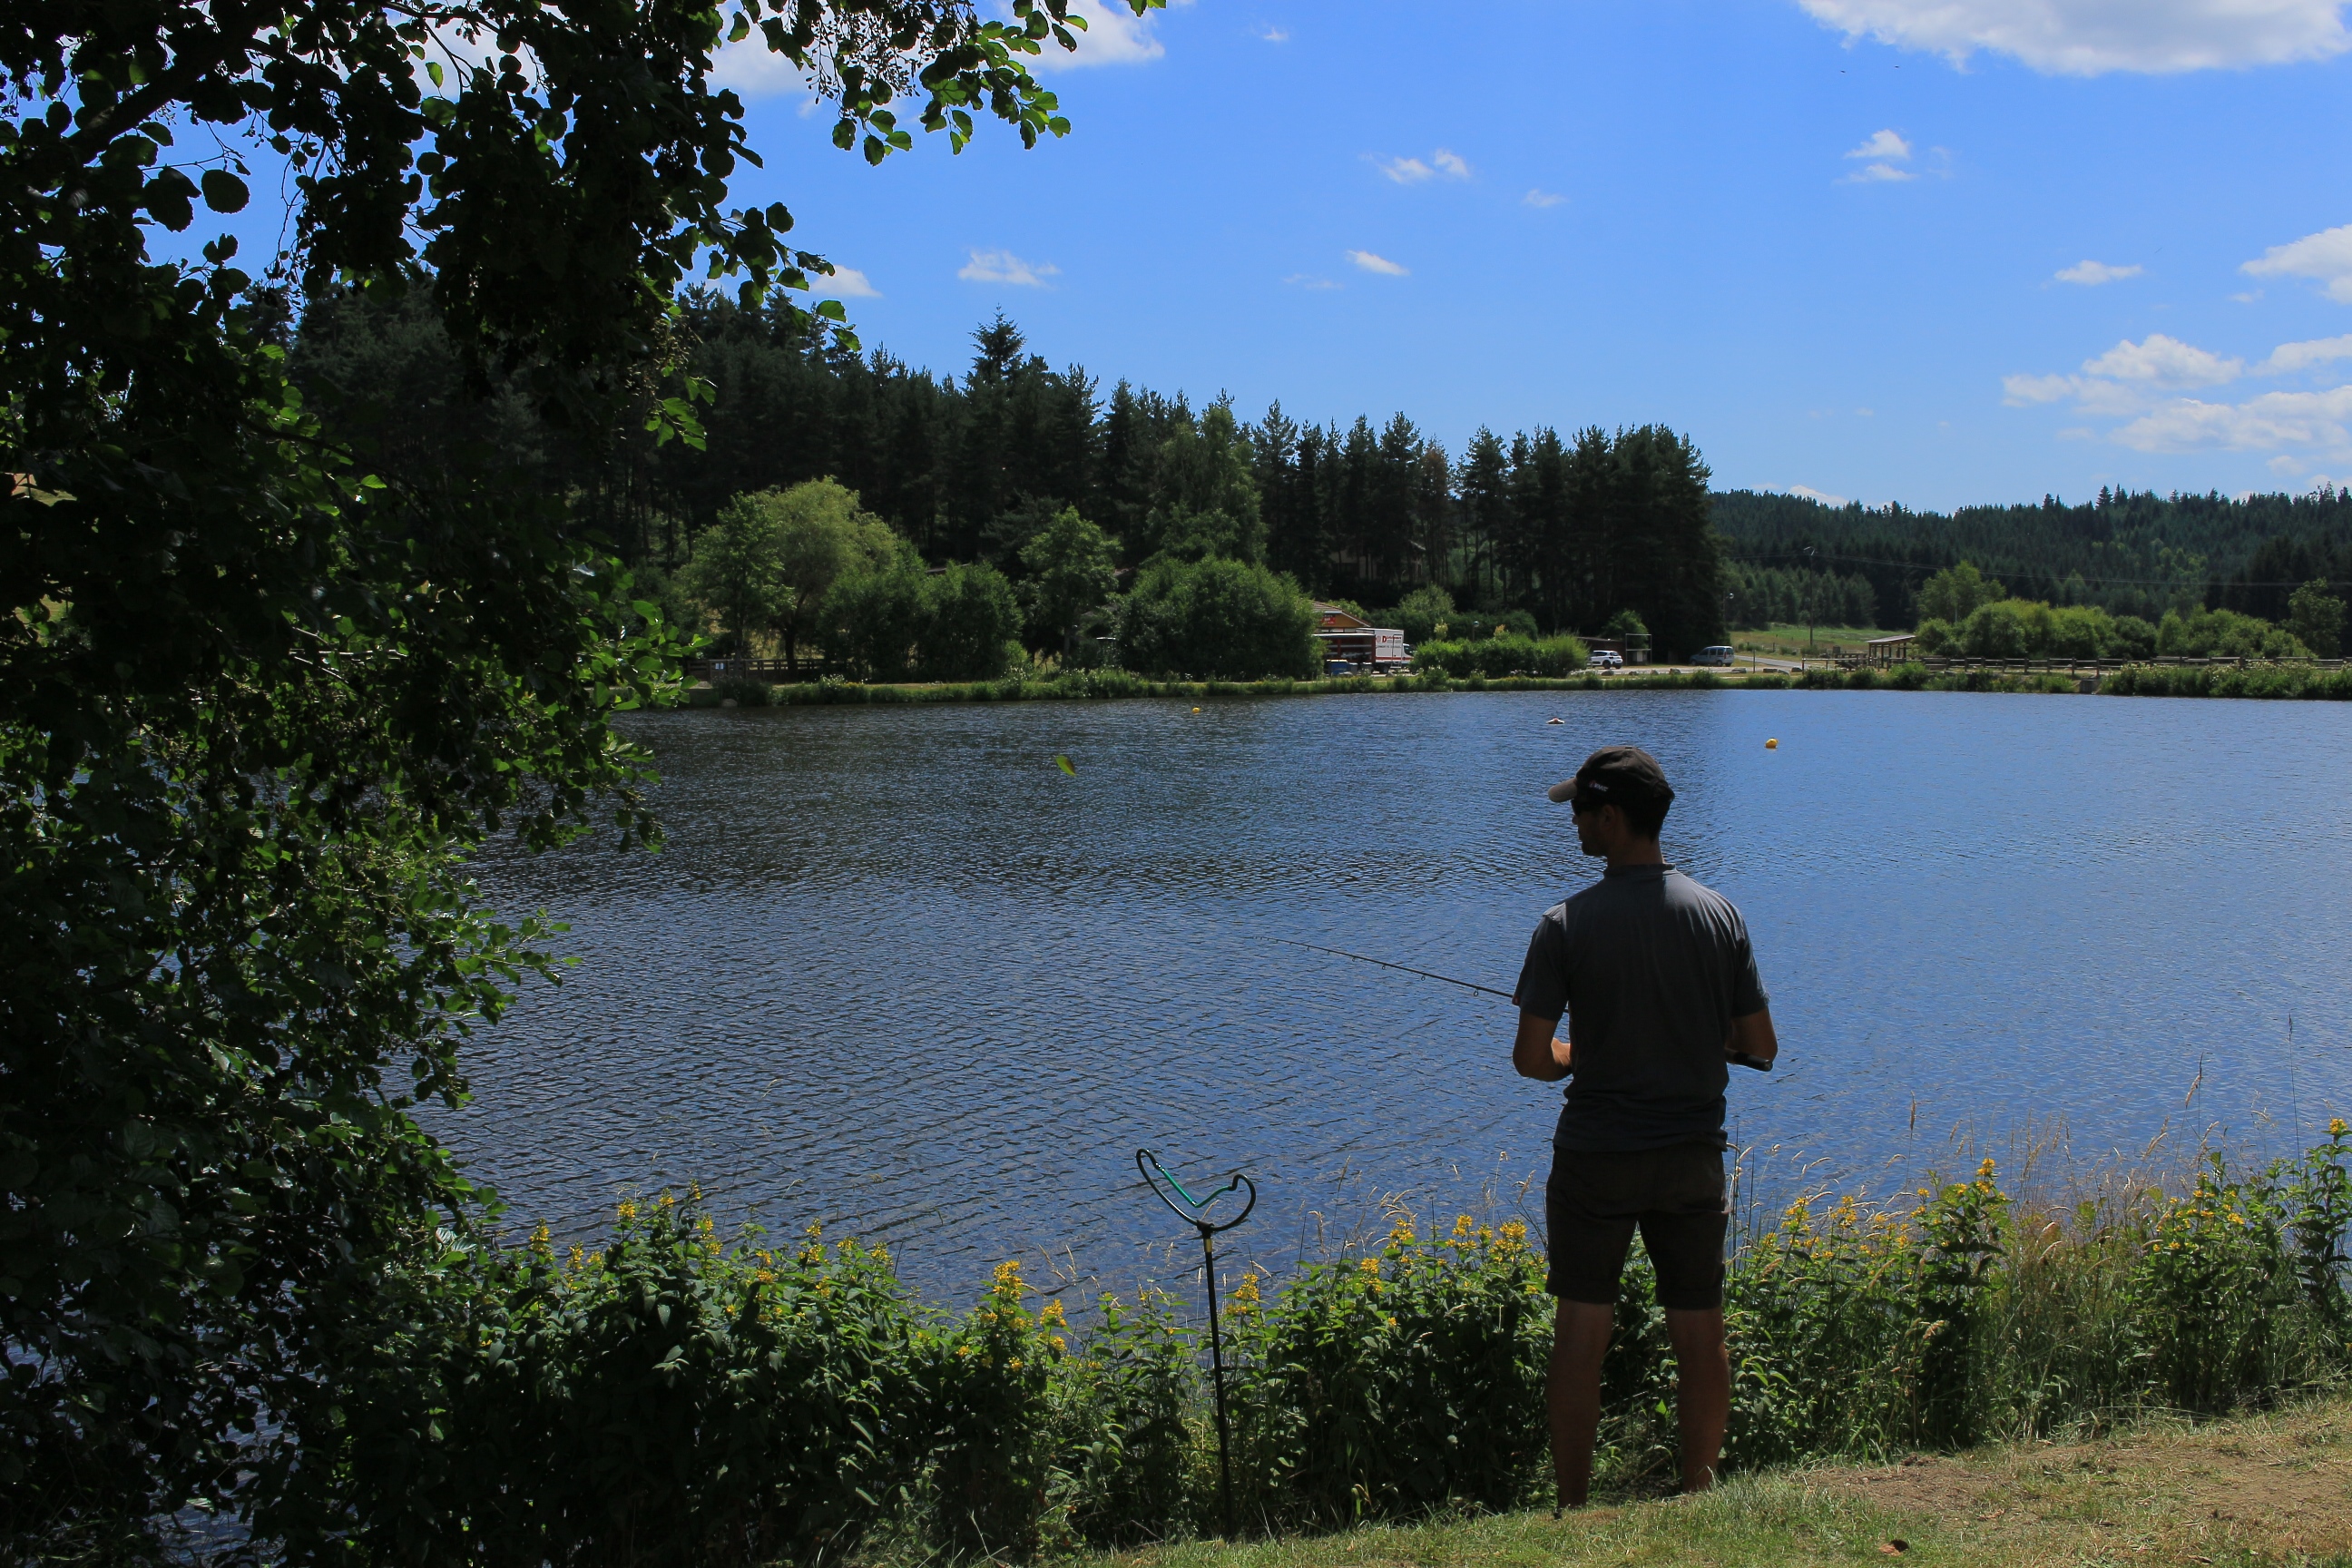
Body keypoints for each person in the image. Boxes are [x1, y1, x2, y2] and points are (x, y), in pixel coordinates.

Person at [1509, 744, 1778, 1509]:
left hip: (1597, 1159)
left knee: (1581, 1335)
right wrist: (1704, 1039)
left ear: (1612, 817)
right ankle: (1698, 1494)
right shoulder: (1718, 914)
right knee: (1700, 1332)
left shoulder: (1564, 924)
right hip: (1692, 1157)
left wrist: (1574, 1052)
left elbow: (1533, 1060)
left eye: (1581, 812)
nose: (1574, 825)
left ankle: (1572, 1506)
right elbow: (1759, 1046)